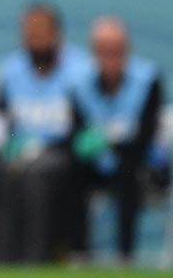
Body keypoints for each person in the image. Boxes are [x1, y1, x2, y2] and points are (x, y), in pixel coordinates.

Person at [0, 2, 90, 263]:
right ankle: (2, 258)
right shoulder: (9, 72)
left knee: (38, 173)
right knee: (3, 172)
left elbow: (87, 122)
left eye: (41, 30)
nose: (34, 37)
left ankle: (37, 257)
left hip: (64, 155)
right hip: (19, 152)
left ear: (57, 33)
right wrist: (3, 144)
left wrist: (49, 148)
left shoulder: (80, 71)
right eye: (28, 31)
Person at [68, 17, 164, 263]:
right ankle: (80, 252)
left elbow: (145, 135)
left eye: (116, 51)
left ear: (127, 50)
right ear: (94, 53)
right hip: (98, 161)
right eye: (104, 51)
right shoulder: (80, 85)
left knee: (128, 170)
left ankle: (125, 254)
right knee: (70, 169)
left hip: (140, 161)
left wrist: (107, 140)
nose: (111, 58)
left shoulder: (148, 80)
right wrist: (97, 144)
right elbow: (77, 134)